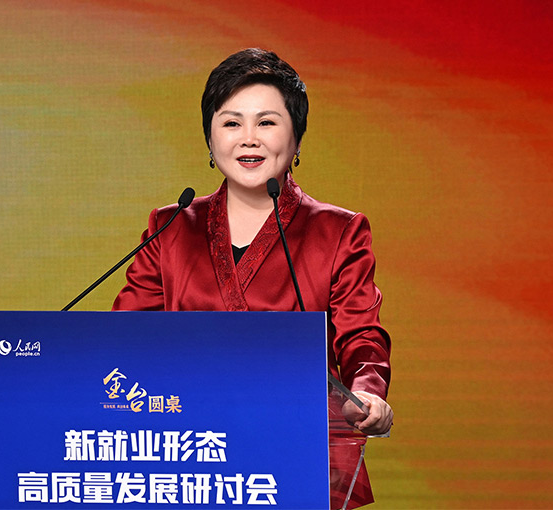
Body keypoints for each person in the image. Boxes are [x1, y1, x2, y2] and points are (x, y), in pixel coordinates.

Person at [112, 48, 392, 508]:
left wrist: (367, 392)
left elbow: (362, 335)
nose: (248, 139)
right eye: (231, 122)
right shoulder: (170, 226)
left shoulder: (339, 230)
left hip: (299, 457)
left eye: (266, 122)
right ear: (210, 138)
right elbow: (125, 338)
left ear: (296, 137)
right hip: (188, 457)